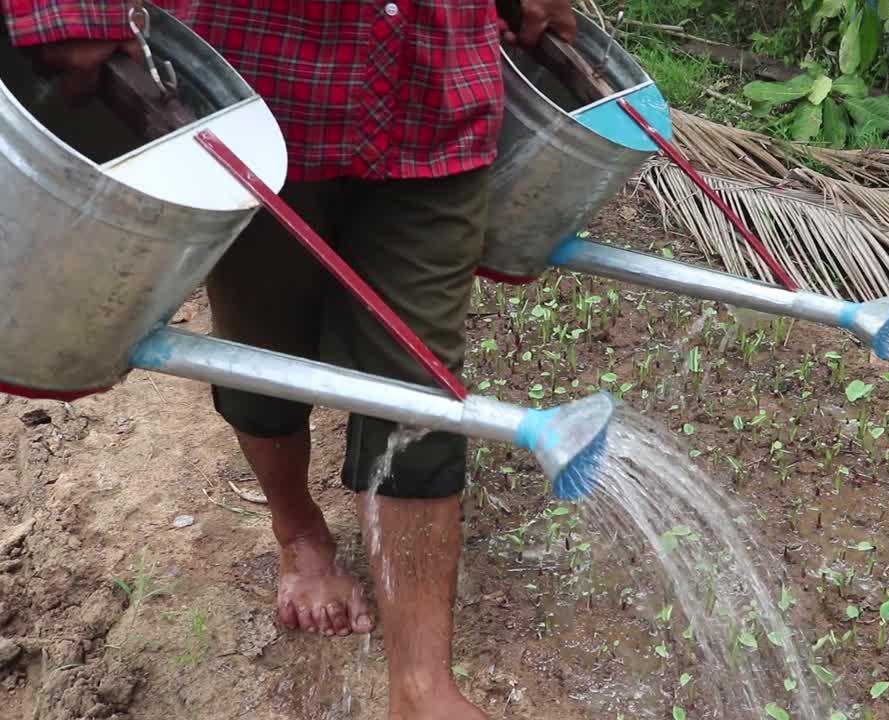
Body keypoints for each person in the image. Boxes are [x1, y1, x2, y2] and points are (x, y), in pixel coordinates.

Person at [1, 1, 576, 718]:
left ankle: (423, 686)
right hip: (261, 91)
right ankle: (298, 530)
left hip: (435, 90)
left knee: (422, 387)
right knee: (263, 353)